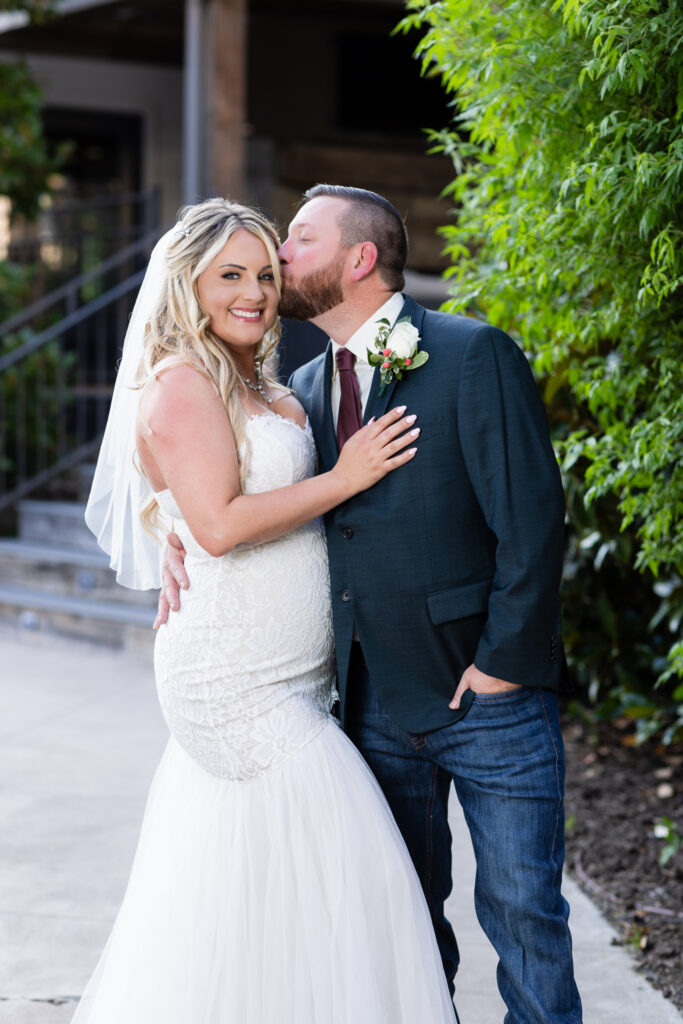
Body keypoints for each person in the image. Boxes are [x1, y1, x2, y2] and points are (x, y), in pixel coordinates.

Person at [160, 185, 584, 1024]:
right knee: (403, 919)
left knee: (524, 914)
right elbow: (253, 490)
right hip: (367, 700)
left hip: (483, 692)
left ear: (358, 259)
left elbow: (533, 523)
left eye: (297, 241)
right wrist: (169, 530)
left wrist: (501, 665)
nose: (277, 261)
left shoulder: (471, 354)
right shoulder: (301, 389)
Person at [80, 197, 457, 1023]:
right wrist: (343, 477)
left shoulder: (257, 380)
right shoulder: (183, 381)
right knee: (353, 862)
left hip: (296, 674)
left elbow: (185, 499)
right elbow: (216, 525)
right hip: (232, 680)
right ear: (188, 284)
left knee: (263, 885)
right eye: (229, 276)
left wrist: (162, 519)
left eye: (263, 273)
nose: (252, 292)